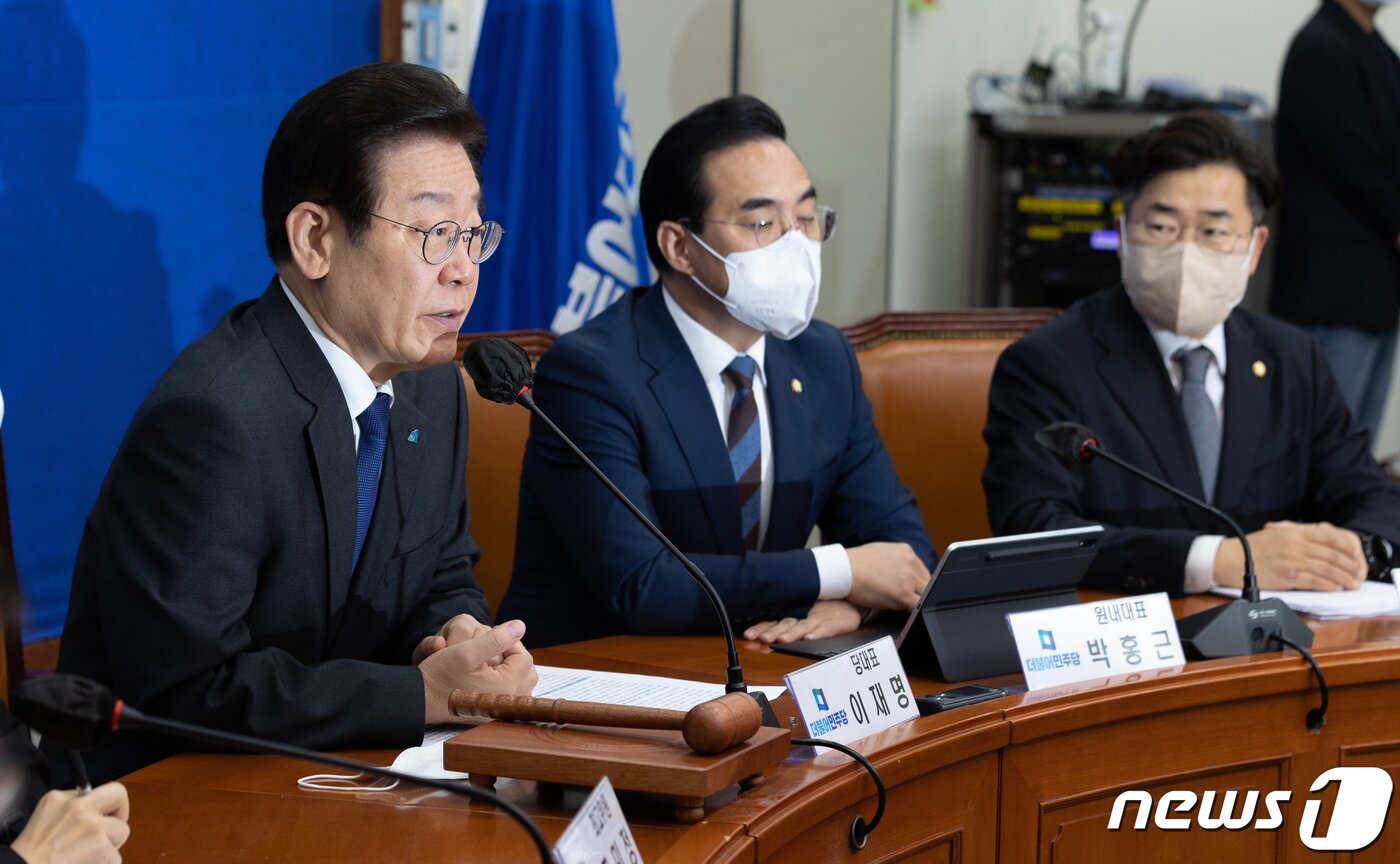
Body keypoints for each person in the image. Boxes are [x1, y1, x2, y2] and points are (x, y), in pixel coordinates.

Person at [54, 63, 536, 784]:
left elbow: (443, 569)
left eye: (474, 232)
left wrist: (452, 636)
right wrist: (418, 695)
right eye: (435, 231)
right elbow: (184, 690)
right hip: (169, 799)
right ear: (315, 239)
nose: (464, 268)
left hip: (342, 773)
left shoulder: (431, 383)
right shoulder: (213, 418)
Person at [500, 95, 934, 647]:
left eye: (806, 218)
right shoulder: (591, 374)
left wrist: (856, 608)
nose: (796, 244)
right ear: (679, 247)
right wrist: (840, 574)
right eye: (762, 222)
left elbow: (903, 551)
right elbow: (645, 584)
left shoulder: (821, 358)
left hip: (759, 666)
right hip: (598, 684)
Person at [983, 110, 1400, 597]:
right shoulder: (1046, 364)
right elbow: (1032, 530)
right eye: (1161, 227)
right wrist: (1219, 560)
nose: (1186, 252)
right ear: (1121, 235)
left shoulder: (1292, 358)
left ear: (1254, 248)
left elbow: (1370, 494)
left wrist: (1345, 550)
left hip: (1278, 644)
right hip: (1132, 644)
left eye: (1214, 231)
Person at [1269, 0, 1400, 438]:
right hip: (1334, 292)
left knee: (1356, 460)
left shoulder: (1376, 49)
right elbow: (1355, 164)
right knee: (1323, 449)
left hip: (1377, 291)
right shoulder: (1321, 48)